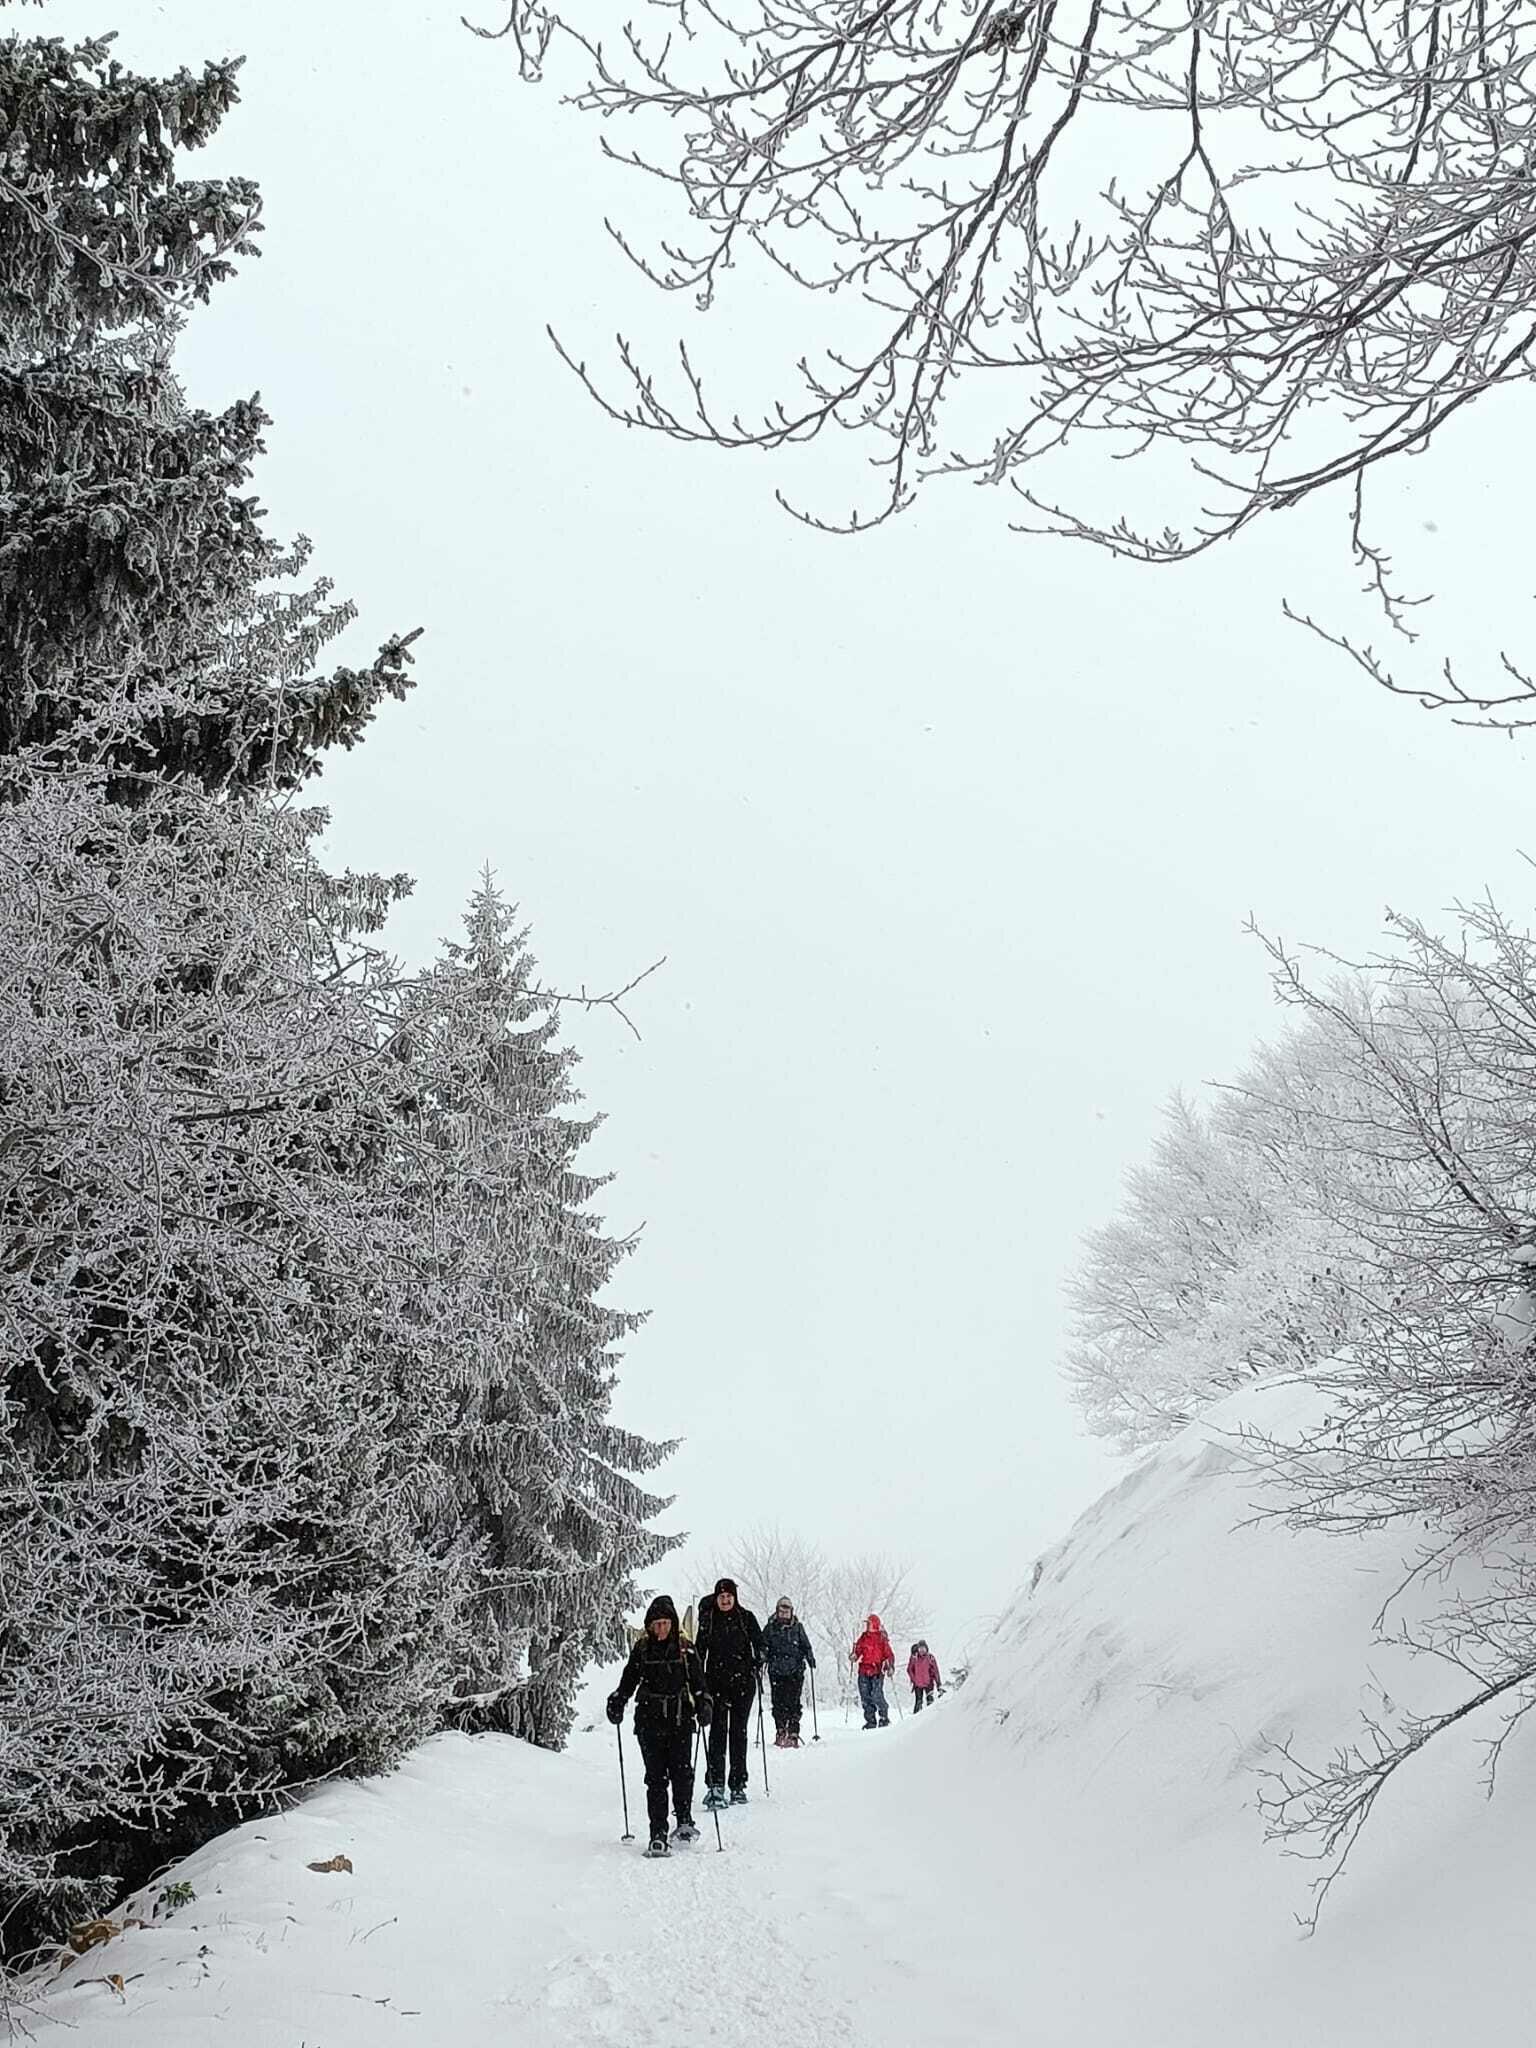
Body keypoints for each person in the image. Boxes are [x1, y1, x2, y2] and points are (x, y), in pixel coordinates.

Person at [607, 1595, 712, 1856]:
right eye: (657, 1624)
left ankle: (684, 1820)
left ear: (672, 1623)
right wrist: (618, 1700)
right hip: (649, 1722)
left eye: (665, 1623)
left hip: (680, 1720)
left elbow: (698, 1683)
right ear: (650, 1626)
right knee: (655, 1779)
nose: (662, 1628)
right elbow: (628, 1680)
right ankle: (658, 1833)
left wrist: (704, 1703)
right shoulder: (642, 1650)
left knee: (682, 1773)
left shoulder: (685, 1649)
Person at [694, 1577, 764, 1806]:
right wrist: (697, 1680)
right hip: (715, 1684)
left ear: (735, 1597)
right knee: (717, 1733)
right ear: (716, 1598)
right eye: (721, 1597)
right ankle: (715, 1784)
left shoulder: (746, 1618)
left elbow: (760, 1643)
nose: (725, 1600)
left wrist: (759, 1658)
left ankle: (738, 1785)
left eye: (729, 1596)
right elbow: (699, 1651)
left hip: (743, 1684)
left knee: (738, 1733)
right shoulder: (709, 1620)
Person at [761, 1595, 816, 1747]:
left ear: (791, 1612)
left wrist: (810, 1657)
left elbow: (806, 1645)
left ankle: (793, 1732)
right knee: (777, 1703)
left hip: (795, 1670)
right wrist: (762, 1656)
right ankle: (780, 1730)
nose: (784, 1614)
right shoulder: (770, 1628)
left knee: (794, 1702)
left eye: (787, 1611)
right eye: (781, 1611)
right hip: (776, 1671)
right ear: (777, 1611)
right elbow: (763, 1644)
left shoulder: (798, 1628)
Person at [850, 1613, 895, 1729]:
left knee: (876, 1695)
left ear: (874, 1625)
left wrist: (890, 1666)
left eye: (868, 1624)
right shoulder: (864, 1637)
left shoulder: (882, 1639)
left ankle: (884, 1717)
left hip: (877, 1671)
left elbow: (889, 1655)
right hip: (864, 1670)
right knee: (865, 1696)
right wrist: (854, 1655)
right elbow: (858, 1650)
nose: (867, 1626)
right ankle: (870, 1721)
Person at [908, 1639, 942, 1712]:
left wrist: (938, 1683)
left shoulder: (930, 1657)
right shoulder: (914, 1658)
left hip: (928, 1683)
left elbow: (935, 1671)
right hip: (918, 1684)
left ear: (926, 1648)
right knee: (918, 1702)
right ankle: (916, 1716)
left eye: (923, 1648)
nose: (922, 1650)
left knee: (930, 1701)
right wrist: (914, 1679)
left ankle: (931, 1715)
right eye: (920, 1649)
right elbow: (909, 1669)